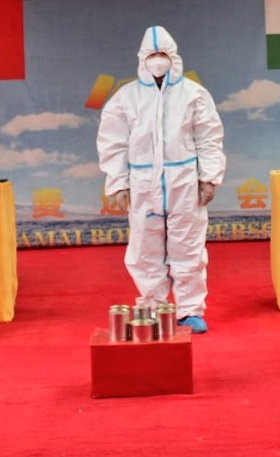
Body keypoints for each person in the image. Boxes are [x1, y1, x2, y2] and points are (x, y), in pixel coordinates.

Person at [97, 25, 226, 334]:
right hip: (142, 183)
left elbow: (209, 137)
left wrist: (209, 178)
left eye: (163, 54)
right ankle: (153, 308)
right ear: (142, 58)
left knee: (188, 246)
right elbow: (112, 142)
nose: (158, 60)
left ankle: (190, 311)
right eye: (153, 54)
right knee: (144, 248)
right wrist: (118, 182)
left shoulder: (194, 94)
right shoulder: (125, 98)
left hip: (184, 182)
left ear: (173, 57)